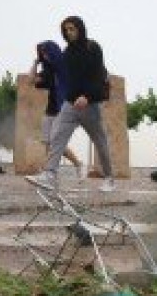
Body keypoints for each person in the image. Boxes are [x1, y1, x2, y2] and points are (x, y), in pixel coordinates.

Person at [27, 17, 115, 192]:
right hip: (70, 104)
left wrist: (87, 96)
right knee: (57, 136)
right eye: (66, 30)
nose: (69, 33)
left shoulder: (92, 47)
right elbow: (63, 77)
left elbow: (98, 76)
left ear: (80, 29)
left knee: (100, 142)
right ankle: (50, 175)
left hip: (90, 105)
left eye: (72, 29)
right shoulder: (67, 53)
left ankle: (109, 179)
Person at [30, 40, 84, 176]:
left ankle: (58, 169)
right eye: (42, 53)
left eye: (45, 52)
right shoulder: (47, 71)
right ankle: (51, 171)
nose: (44, 55)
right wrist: (35, 63)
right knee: (48, 143)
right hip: (50, 111)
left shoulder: (65, 68)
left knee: (55, 143)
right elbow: (32, 80)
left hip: (63, 110)